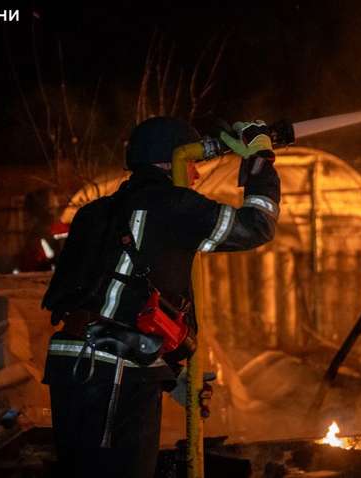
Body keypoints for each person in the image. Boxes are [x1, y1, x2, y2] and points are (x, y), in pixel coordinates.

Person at [41, 117, 281, 477]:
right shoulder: (172, 205)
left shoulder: (94, 213)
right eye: (192, 163)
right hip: (113, 372)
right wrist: (260, 161)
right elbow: (257, 225)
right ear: (171, 162)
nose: (195, 175)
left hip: (75, 366)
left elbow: (109, 302)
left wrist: (167, 374)